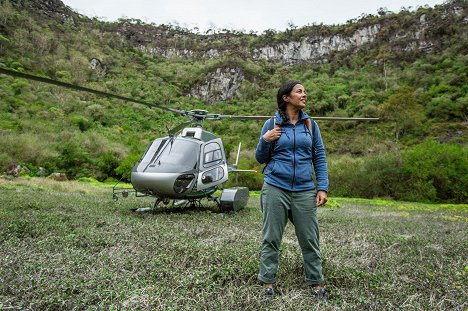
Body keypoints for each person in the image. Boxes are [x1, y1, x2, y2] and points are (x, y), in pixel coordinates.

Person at [255, 80, 329, 300]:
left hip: (304, 190)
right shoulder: (272, 124)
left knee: (310, 239)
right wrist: (265, 140)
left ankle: (316, 284)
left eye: (305, 91)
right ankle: (267, 283)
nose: (304, 95)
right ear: (286, 98)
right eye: (299, 92)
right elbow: (260, 158)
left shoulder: (310, 126)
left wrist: (322, 187)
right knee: (271, 238)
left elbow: (319, 157)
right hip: (275, 187)